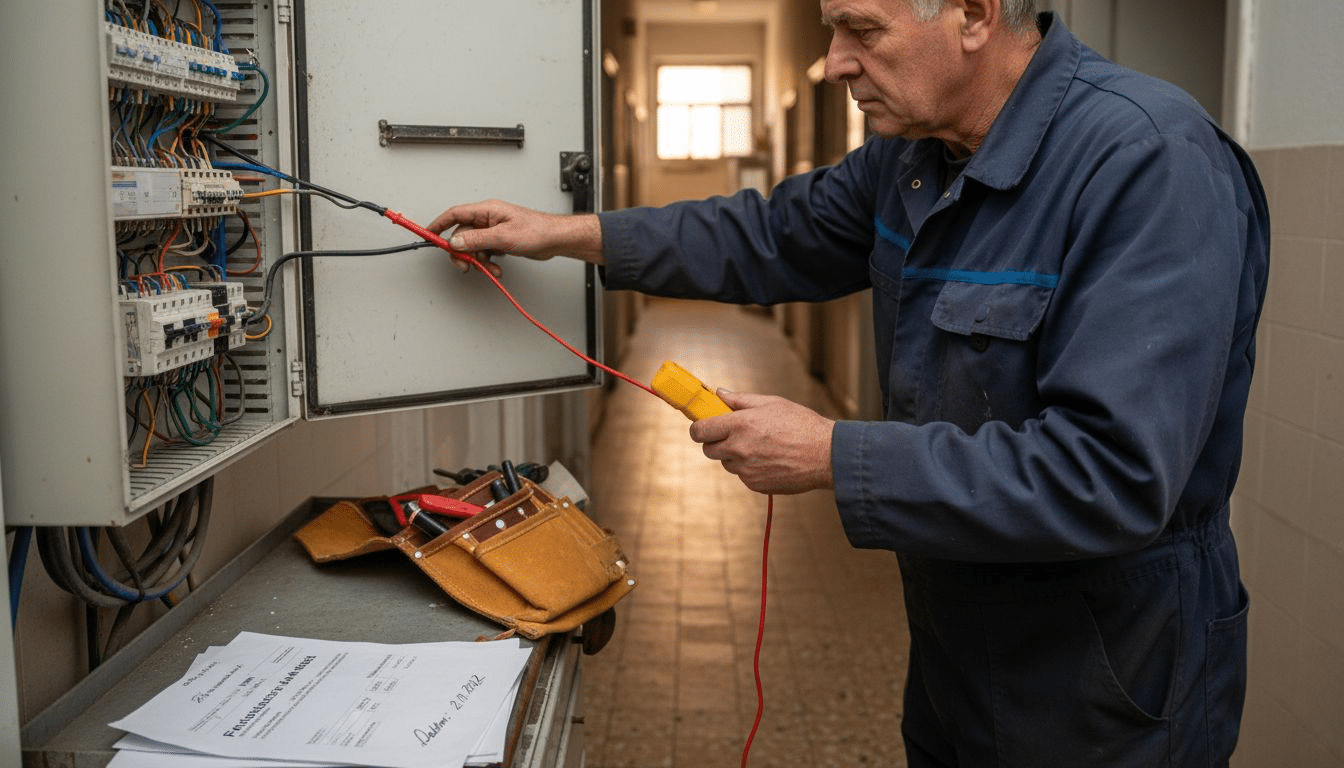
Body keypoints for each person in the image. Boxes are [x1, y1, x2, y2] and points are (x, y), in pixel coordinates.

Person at [427, 0, 1268, 764]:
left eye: (862, 31)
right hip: (956, 650)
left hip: (1107, 677)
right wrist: (569, 233)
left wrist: (835, 453)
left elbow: (1110, 475)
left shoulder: (1147, 161)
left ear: (973, 15)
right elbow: (770, 234)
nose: (833, 62)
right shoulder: (913, 156)